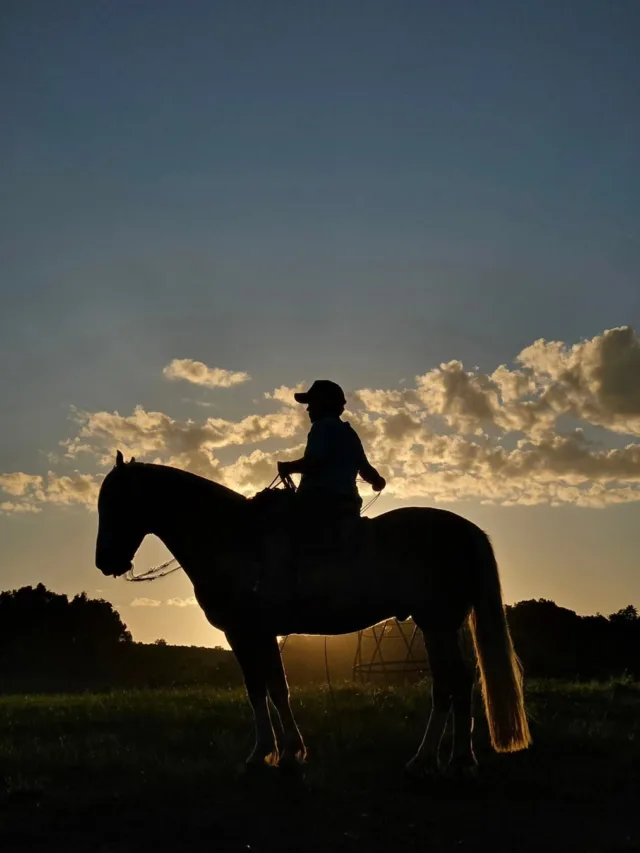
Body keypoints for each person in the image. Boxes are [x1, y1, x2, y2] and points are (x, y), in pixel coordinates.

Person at [277, 380, 386, 540]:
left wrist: (288, 467)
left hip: (319, 504)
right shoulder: (349, 433)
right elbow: (365, 469)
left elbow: (314, 462)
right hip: (349, 506)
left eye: (312, 403)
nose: (308, 408)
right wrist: (378, 481)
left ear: (323, 403)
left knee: (272, 520)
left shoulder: (322, 426)